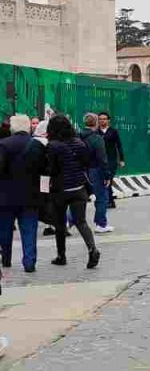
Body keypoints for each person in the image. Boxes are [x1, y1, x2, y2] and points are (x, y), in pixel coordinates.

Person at [46, 114, 101, 269]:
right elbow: (86, 163)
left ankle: (61, 255)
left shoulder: (53, 145)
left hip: (60, 190)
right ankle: (92, 249)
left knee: (60, 223)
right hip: (79, 188)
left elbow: (51, 169)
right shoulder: (79, 143)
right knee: (81, 222)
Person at [0, 114, 48, 272]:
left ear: (12, 128)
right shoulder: (37, 145)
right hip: (31, 195)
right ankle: (29, 262)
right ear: (28, 127)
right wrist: (44, 193)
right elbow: (44, 171)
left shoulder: (4, 144)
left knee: (5, 230)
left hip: (6, 196)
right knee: (29, 230)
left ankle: (6, 259)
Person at [80, 113, 112, 233]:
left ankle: (69, 220)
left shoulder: (78, 136)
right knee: (102, 197)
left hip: (81, 170)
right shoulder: (97, 139)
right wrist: (107, 175)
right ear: (96, 123)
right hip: (95, 170)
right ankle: (101, 224)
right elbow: (102, 159)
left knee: (80, 198)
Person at [97, 112, 124, 209]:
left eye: (104, 119)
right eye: (100, 119)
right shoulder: (96, 132)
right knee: (103, 180)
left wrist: (121, 159)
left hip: (111, 160)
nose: (102, 121)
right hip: (100, 160)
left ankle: (108, 200)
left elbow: (119, 145)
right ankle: (110, 200)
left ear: (108, 120)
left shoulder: (113, 131)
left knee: (109, 179)